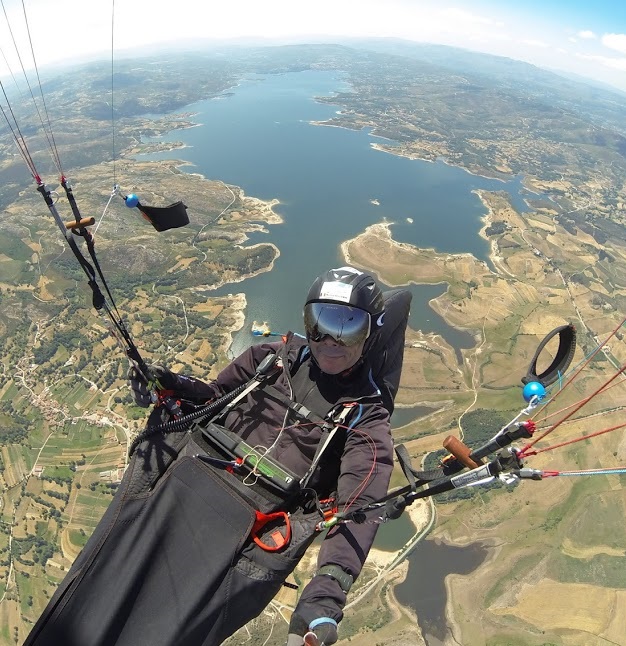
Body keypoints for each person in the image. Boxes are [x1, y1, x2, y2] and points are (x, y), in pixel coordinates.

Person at [25, 266, 411, 646]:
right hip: (184, 484)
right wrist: (170, 383)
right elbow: (214, 396)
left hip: (244, 534)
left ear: (371, 334)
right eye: (320, 323)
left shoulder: (366, 418)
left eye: (348, 328)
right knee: (92, 593)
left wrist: (325, 594)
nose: (329, 340)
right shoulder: (271, 359)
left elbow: (359, 507)